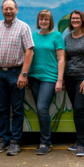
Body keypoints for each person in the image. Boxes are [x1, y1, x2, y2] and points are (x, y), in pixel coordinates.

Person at [0, 0, 34, 156]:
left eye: (11, 9)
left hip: (16, 73)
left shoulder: (23, 27)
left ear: (16, 9)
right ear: (2, 10)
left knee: (17, 110)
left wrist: (24, 74)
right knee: (1, 110)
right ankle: (2, 140)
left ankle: (15, 142)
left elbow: (29, 51)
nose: (8, 11)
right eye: (5, 9)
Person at [28, 9, 65, 155]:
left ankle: (45, 142)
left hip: (50, 77)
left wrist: (59, 80)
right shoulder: (32, 36)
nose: (43, 22)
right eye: (41, 19)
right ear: (38, 21)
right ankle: (45, 140)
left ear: (50, 21)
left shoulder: (57, 35)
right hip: (34, 77)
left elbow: (61, 58)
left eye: (46, 20)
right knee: (40, 109)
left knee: (42, 108)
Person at [63, 10, 84, 157]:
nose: (75, 20)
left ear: (82, 19)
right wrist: (63, 79)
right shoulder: (67, 37)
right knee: (76, 110)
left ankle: (81, 143)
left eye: (77, 18)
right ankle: (80, 141)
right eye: (73, 18)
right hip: (70, 77)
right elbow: (64, 58)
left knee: (78, 107)